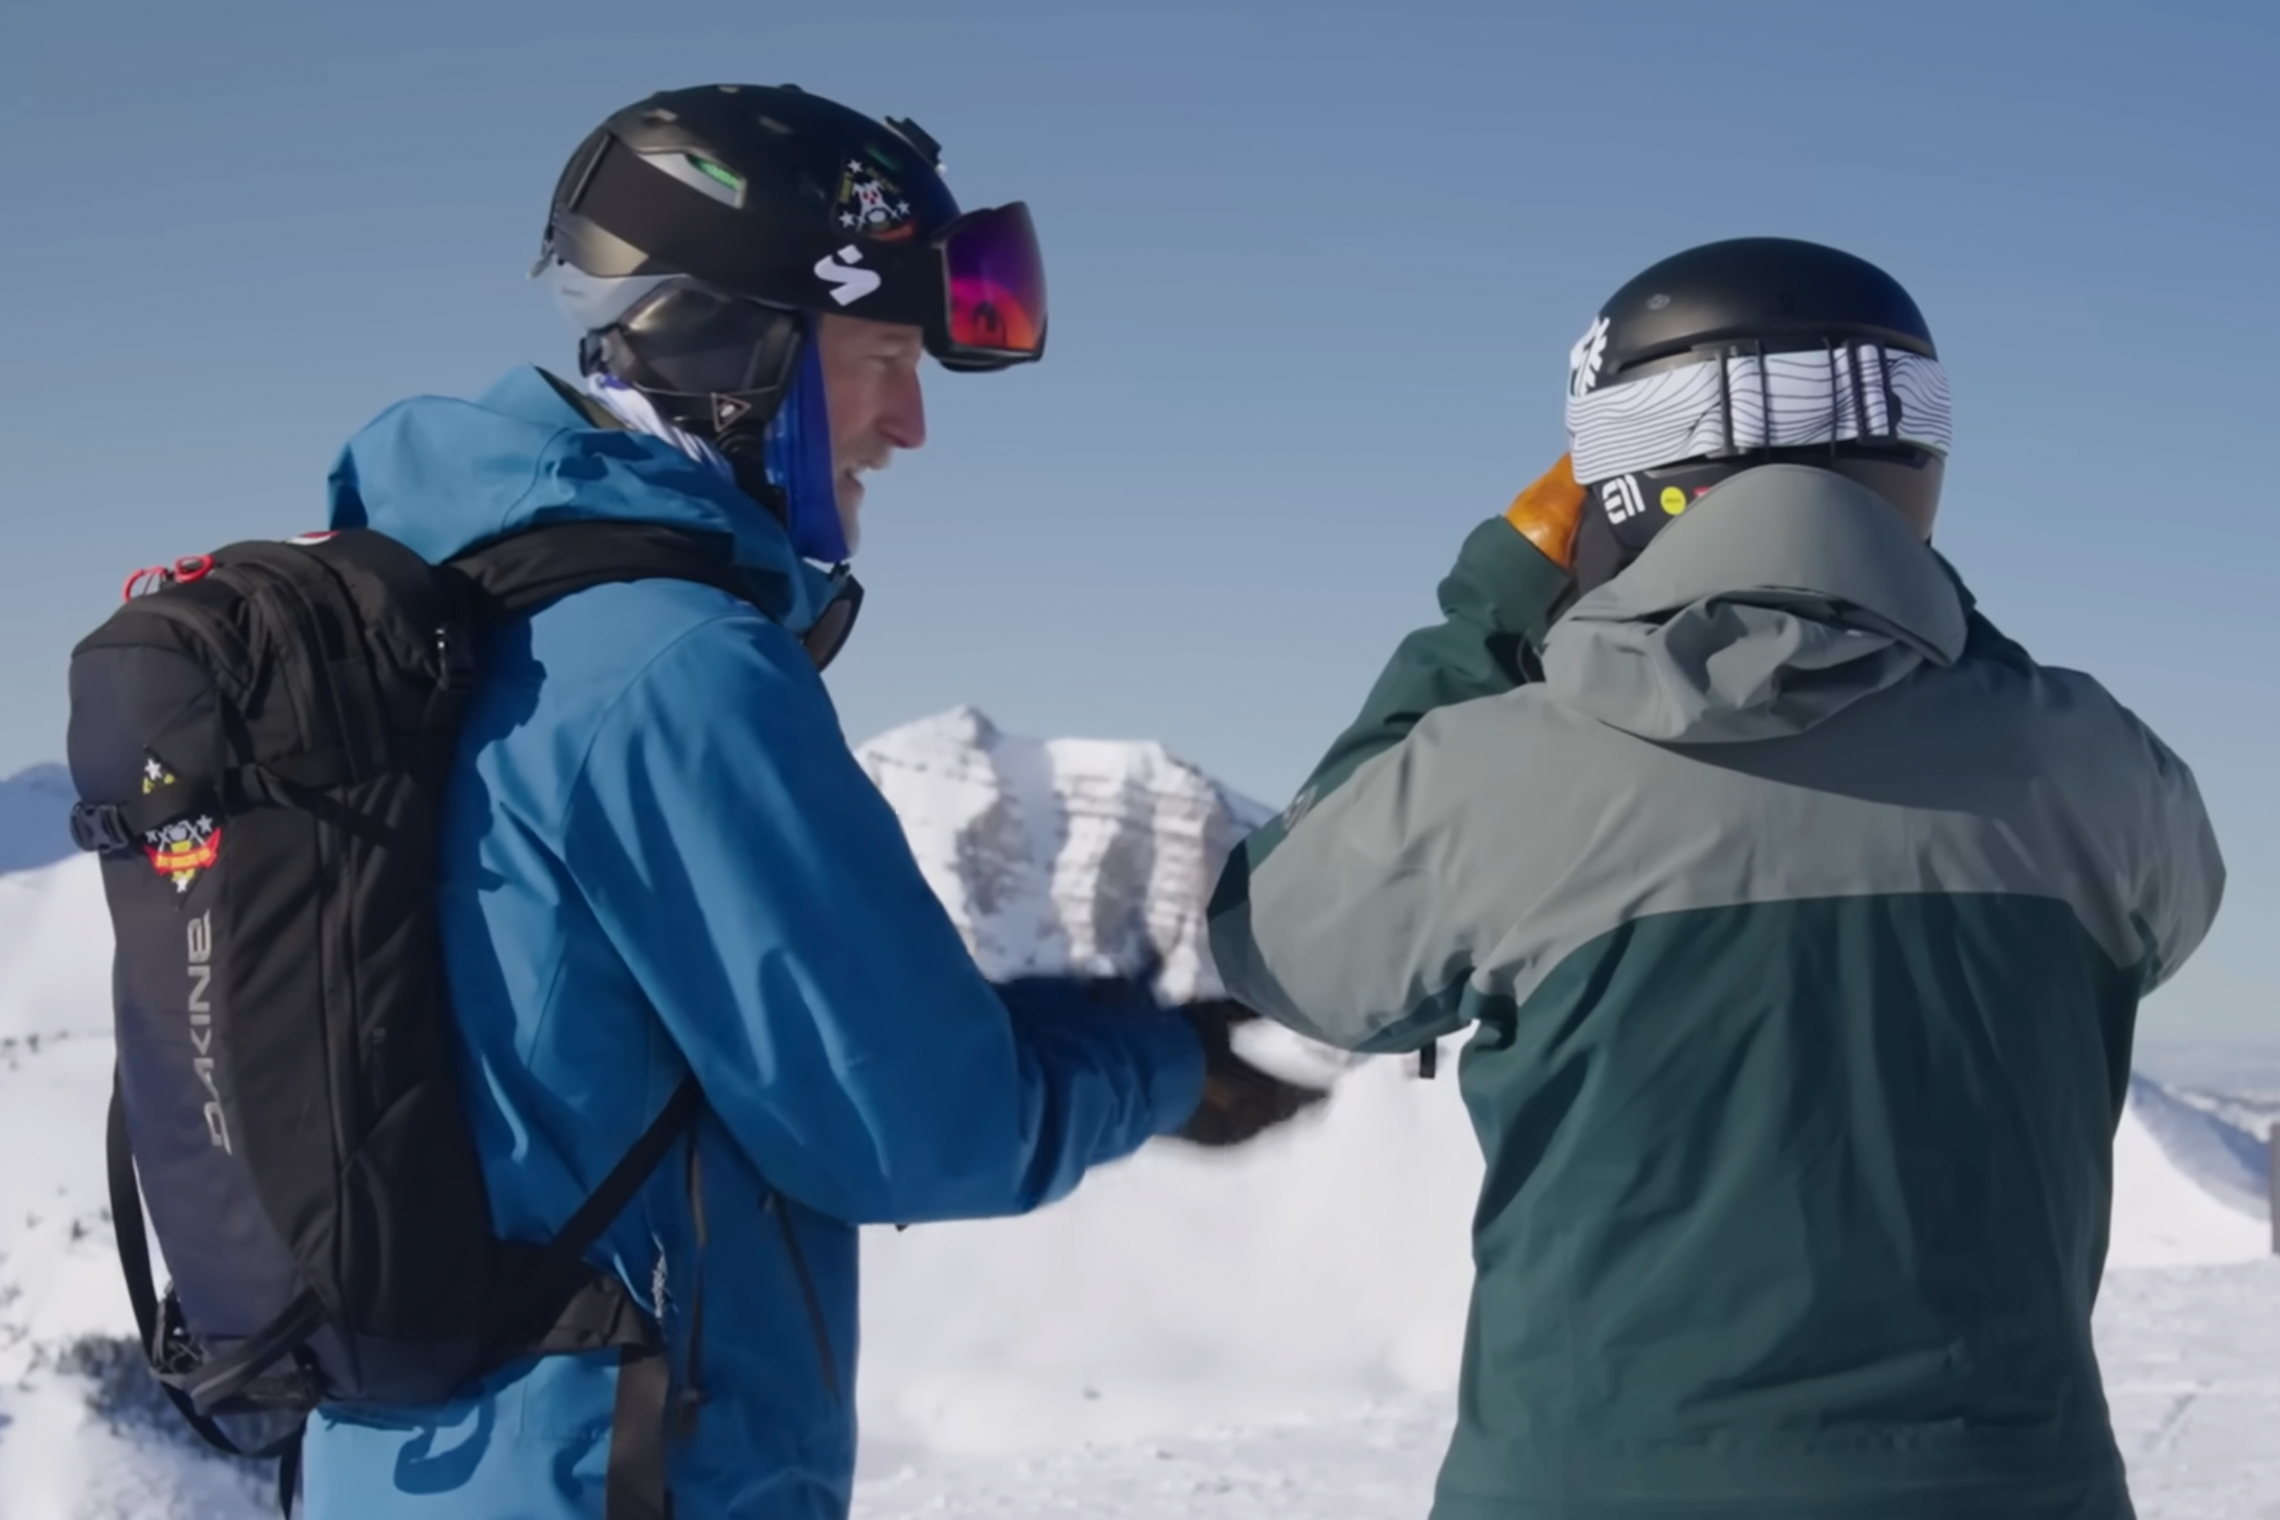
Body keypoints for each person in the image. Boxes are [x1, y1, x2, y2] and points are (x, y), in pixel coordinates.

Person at [298, 82, 1319, 1520]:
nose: (906, 425)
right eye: (883, 355)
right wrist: (1160, 1071)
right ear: (739, 346)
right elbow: (913, 1127)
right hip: (618, 1468)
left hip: (414, 1463)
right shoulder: (671, 667)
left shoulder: (458, 602)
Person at [1208, 237, 2224, 1519]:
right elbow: (2172, 909)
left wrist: (1496, 596)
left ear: (1614, 472)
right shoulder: (2096, 764)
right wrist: (1911, 607)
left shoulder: (1493, 773)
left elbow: (1278, 940)